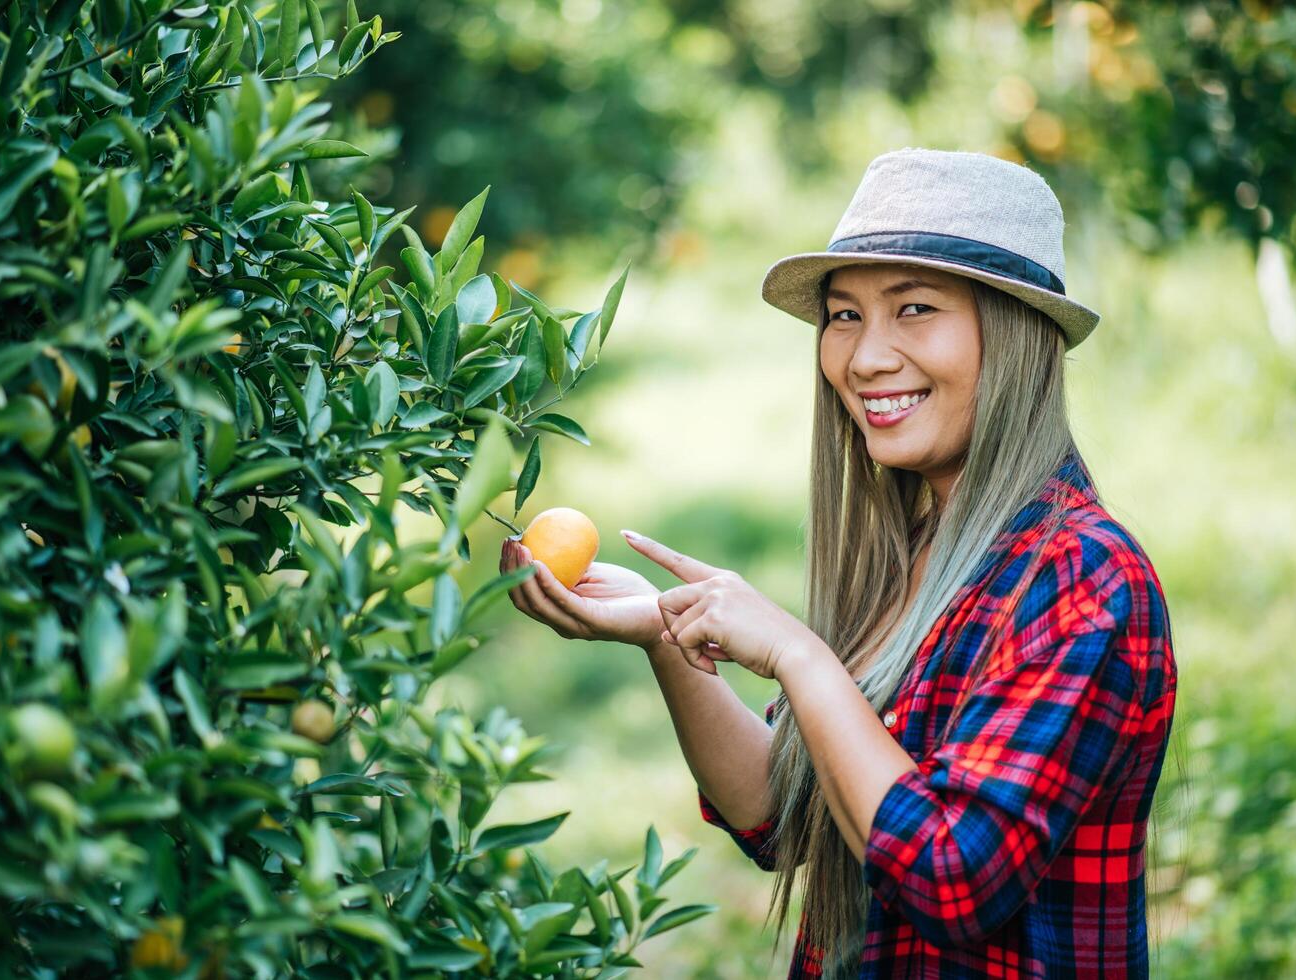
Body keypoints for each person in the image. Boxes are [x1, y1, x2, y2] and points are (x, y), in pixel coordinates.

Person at [500, 147, 1177, 978]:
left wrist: (796, 654)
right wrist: (665, 633)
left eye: (915, 308)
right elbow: (777, 818)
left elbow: (950, 880)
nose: (863, 358)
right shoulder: (915, 552)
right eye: (844, 315)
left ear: (1014, 333)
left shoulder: (1078, 577)